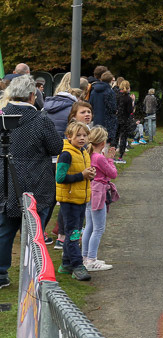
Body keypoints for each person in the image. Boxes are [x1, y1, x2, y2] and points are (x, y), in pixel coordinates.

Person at [0, 75, 64, 290]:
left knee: (5, 231)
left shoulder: (1, 116)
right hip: (37, 181)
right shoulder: (40, 119)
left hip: (6, 180)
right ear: (31, 96)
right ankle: (36, 273)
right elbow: (56, 147)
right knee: (35, 233)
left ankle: (1, 274)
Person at [56, 121, 95, 281]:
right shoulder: (66, 154)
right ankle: (77, 265)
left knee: (75, 232)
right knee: (73, 234)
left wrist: (89, 175)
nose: (81, 138)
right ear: (69, 136)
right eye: (78, 135)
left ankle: (66, 263)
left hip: (81, 199)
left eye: (84, 135)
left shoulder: (83, 152)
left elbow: (83, 173)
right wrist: (82, 175)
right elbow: (60, 177)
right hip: (69, 200)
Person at [82, 127, 117, 272]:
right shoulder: (99, 158)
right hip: (98, 193)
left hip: (90, 191)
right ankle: (91, 259)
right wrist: (110, 159)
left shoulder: (88, 155)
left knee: (89, 226)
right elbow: (112, 173)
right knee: (98, 228)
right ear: (103, 142)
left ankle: (85, 257)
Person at [89, 69, 118, 143]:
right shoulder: (110, 92)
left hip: (97, 119)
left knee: (97, 140)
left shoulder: (94, 90)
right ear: (111, 80)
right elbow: (112, 107)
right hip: (108, 120)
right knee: (106, 141)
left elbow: (90, 104)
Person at [114, 79, 136, 162]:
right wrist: (133, 101)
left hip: (117, 119)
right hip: (125, 120)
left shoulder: (117, 96)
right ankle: (120, 156)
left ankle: (112, 155)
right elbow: (130, 110)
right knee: (123, 138)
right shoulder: (128, 98)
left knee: (115, 137)